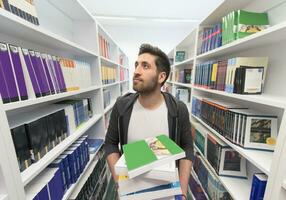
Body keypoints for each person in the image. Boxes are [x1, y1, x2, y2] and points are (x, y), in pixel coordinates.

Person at [104, 43, 194, 199]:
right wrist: (119, 181)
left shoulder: (178, 110)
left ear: (161, 77)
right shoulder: (121, 106)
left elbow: (187, 148)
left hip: (167, 194)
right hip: (130, 193)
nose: (137, 71)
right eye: (137, 65)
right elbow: (111, 143)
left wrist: (183, 192)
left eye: (145, 66)